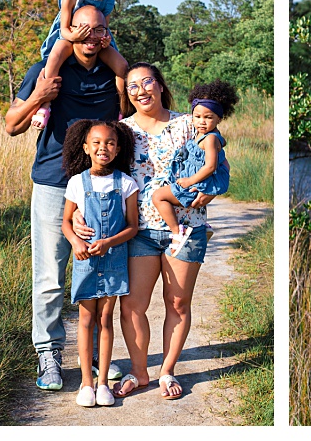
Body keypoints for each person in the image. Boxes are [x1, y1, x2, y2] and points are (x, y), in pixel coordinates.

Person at [5, 4, 123, 392]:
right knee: (51, 275)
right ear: (68, 29)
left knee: (95, 272)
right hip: (54, 183)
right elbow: (11, 125)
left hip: (99, 185)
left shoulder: (113, 73)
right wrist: (39, 93)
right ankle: (49, 352)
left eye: (100, 30)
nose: (92, 36)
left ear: (108, 35)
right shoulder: (48, 70)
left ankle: (91, 353)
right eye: (83, 28)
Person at [90, 63, 215, 401]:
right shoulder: (121, 131)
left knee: (177, 302)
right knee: (132, 306)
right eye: (132, 86)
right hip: (138, 230)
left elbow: (219, 165)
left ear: (160, 85)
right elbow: (99, 175)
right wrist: (76, 217)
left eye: (147, 82)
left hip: (187, 227)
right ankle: (139, 370)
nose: (141, 90)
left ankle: (168, 371)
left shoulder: (189, 124)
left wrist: (213, 191)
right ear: (126, 94)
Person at [59, 120, 139, 407]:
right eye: (96, 142)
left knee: (106, 320)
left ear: (117, 150)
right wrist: (76, 242)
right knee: (85, 320)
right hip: (86, 263)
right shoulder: (76, 182)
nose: (102, 148)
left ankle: (103, 383)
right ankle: (86, 384)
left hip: (115, 260)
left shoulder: (127, 184)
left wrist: (108, 242)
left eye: (109, 143)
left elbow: (132, 227)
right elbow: (66, 223)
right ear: (85, 147)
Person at [31, 0, 129, 130]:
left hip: (95, 41)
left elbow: (105, 27)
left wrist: (105, 40)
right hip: (70, 36)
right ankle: (44, 106)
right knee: (56, 55)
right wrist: (75, 36)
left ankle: (121, 109)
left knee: (122, 65)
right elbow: (64, 29)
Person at [150, 80, 238, 256]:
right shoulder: (202, 135)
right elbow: (224, 163)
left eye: (208, 117)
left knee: (158, 196)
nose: (202, 122)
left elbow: (212, 165)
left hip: (194, 184)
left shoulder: (210, 139)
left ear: (219, 118)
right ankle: (201, 227)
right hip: (195, 183)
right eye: (197, 117)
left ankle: (177, 232)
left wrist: (191, 181)